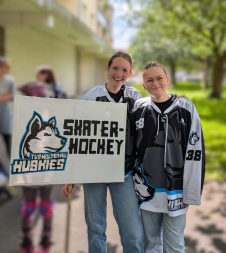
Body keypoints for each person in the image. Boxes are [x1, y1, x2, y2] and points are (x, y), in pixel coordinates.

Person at [63, 52, 145, 253]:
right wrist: (71, 174)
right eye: (115, 68)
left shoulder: (135, 97)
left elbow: (143, 133)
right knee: (96, 227)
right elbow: (79, 136)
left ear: (130, 73)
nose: (119, 73)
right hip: (94, 172)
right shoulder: (92, 96)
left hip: (123, 172)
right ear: (107, 69)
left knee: (133, 230)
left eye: (124, 69)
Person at [132, 61, 205, 253]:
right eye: (150, 80)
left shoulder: (186, 107)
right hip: (146, 191)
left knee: (174, 244)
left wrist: (192, 190)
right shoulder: (138, 108)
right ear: (144, 84)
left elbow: (195, 150)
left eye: (159, 78)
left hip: (176, 191)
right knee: (151, 243)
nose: (155, 83)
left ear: (168, 79)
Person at [20, 65, 66, 253]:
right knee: (30, 206)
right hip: (28, 171)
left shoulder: (53, 121)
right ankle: (27, 242)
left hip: (46, 170)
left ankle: (44, 241)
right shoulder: (25, 118)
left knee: (45, 206)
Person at [0, 56, 15, 158]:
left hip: (5, 114)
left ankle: (10, 161)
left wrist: (6, 97)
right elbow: (6, 96)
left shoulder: (10, 80)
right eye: (7, 66)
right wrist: (4, 96)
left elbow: (11, 96)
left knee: (8, 140)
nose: (9, 69)